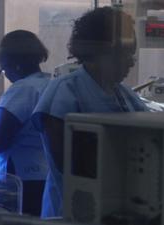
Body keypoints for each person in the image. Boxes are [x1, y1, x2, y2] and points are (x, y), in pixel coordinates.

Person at [31, 7, 148, 218]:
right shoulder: (65, 90)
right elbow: (67, 162)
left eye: (133, 55)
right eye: (126, 54)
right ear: (101, 52)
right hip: (71, 210)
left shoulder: (126, 96)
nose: (131, 62)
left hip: (116, 209)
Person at [0, 30, 50, 216]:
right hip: (42, 176)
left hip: (17, 181)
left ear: (16, 65)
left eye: (4, 69)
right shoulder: (49, 83)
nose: (6, 75)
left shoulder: (23, 89)